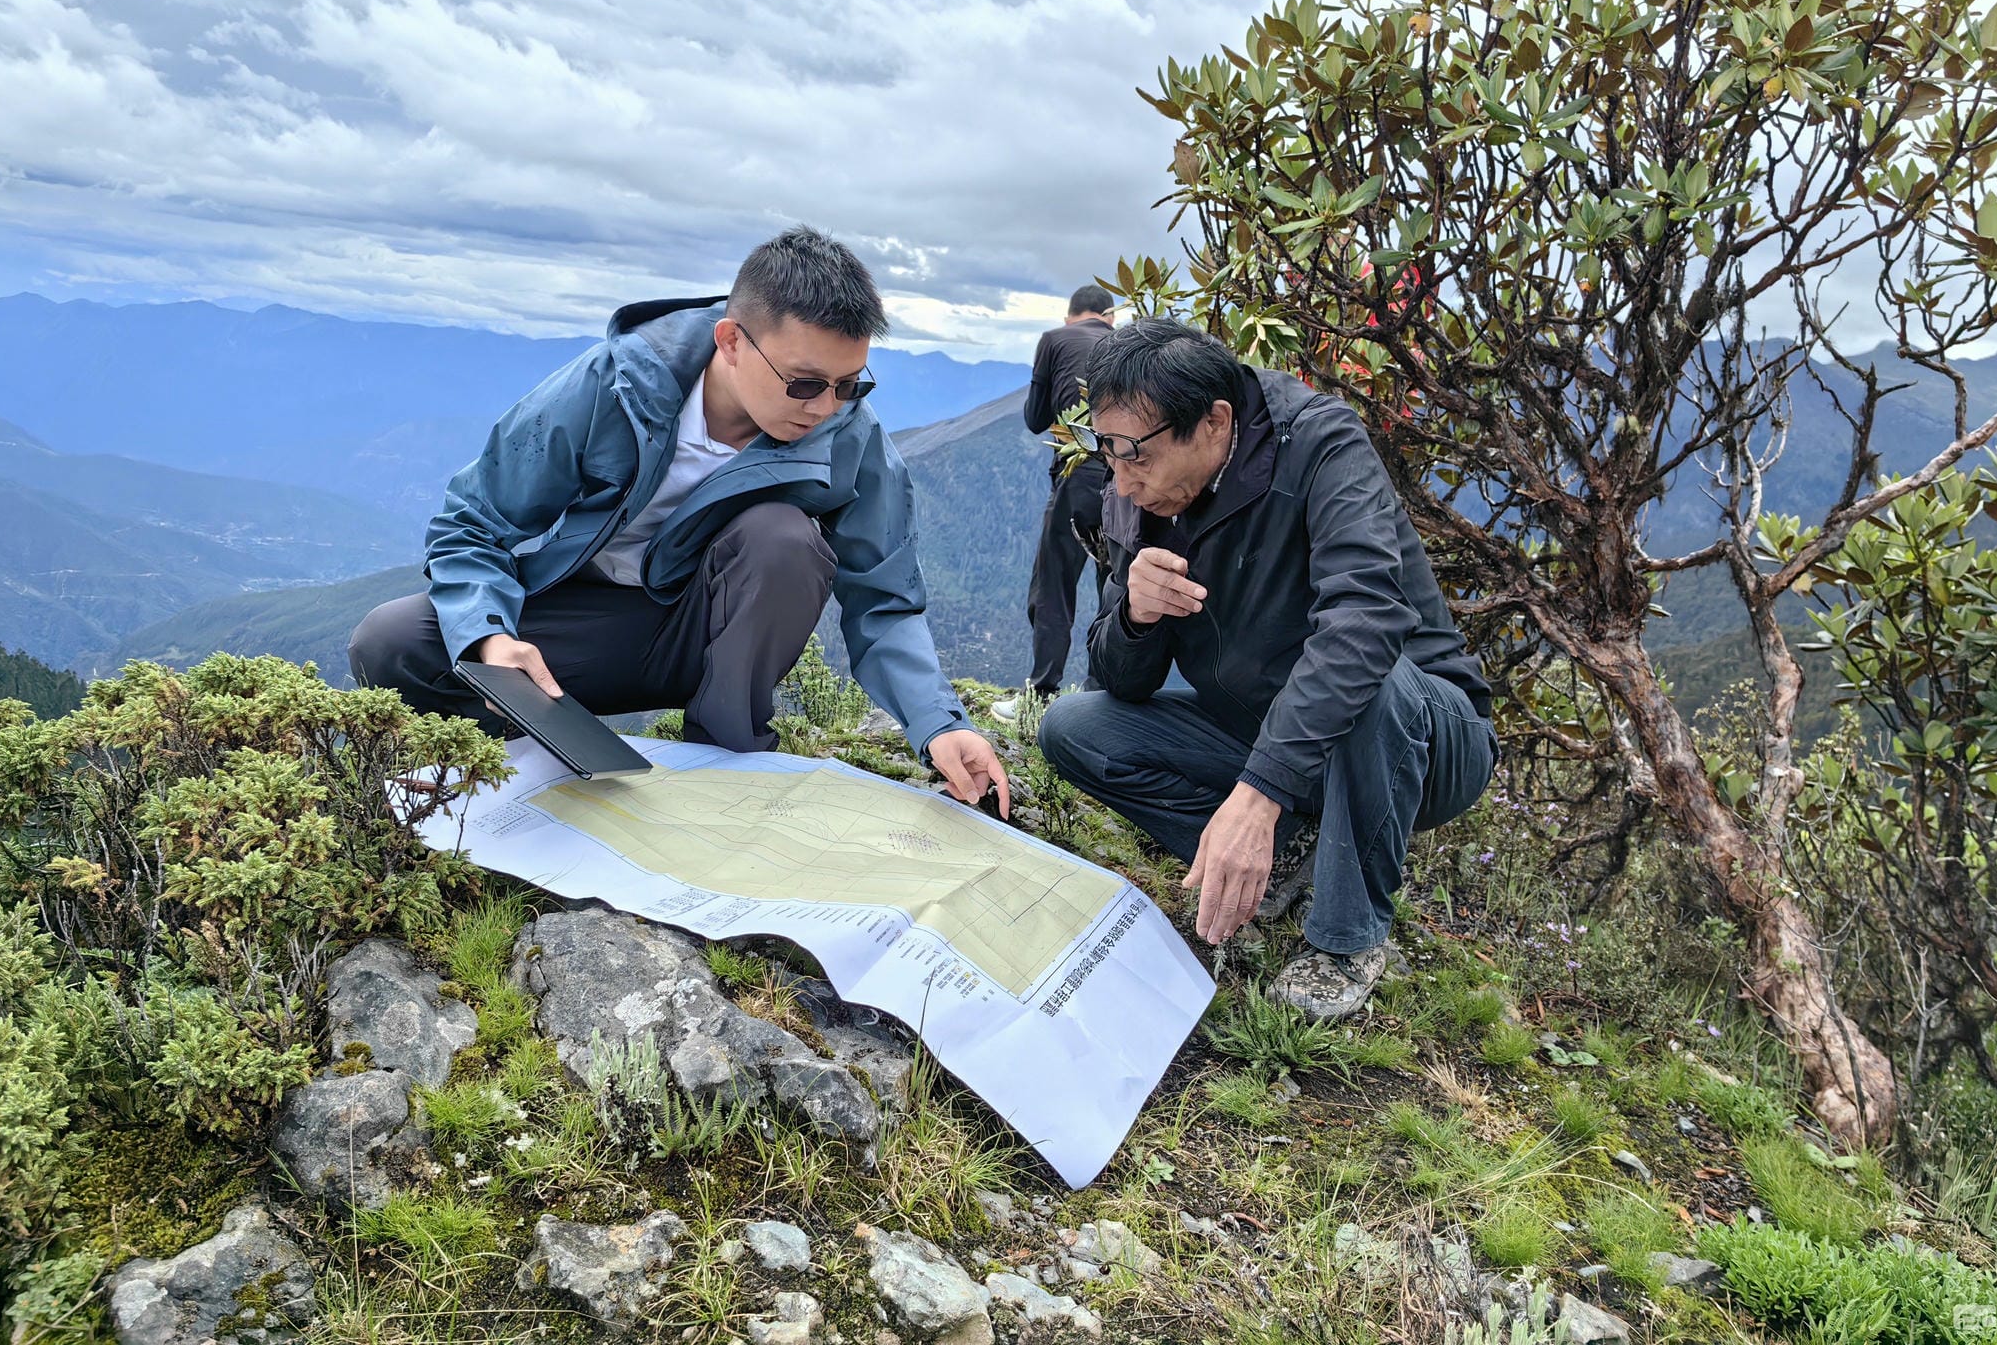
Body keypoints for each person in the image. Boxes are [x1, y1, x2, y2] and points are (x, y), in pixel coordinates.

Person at [350, 225, 1010, 811]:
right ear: (731, 341)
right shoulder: (613, 387)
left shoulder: (849, 440)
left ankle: (724, 770)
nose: (827, 407)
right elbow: (474, 522)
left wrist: (939, 724)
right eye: (806, 383)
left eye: (851, 384)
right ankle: (519, 764)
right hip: (582, 631)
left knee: (781, 539)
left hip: (709, 640)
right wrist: (492, 639)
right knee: (391, 641)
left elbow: (884, 600)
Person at [1035, 320, 1496, 1020]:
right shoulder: (1139, 494)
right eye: (1107, 451)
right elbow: (1120, 683)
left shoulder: (1320, 446)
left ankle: (1346, 943)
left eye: (1135, 455)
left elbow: (1365, 620)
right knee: (1074, 727)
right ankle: (1289, 857)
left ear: (1215, 423)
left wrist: (1259, 793)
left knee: (1373, 674)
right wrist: (1136, 615)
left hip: (1425, 741)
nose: (1122, 481)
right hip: (1263, 731)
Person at [988, 284, 1117, 724]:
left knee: (1054, 586)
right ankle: (1106, 698)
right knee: (1115, 588)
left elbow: (1035, 419)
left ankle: (1041, 695)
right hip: (1130, 476)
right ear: (1109, 317)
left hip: (1079, 472)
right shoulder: (1121, 343)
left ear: (1070, 317)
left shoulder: (1053, 340)